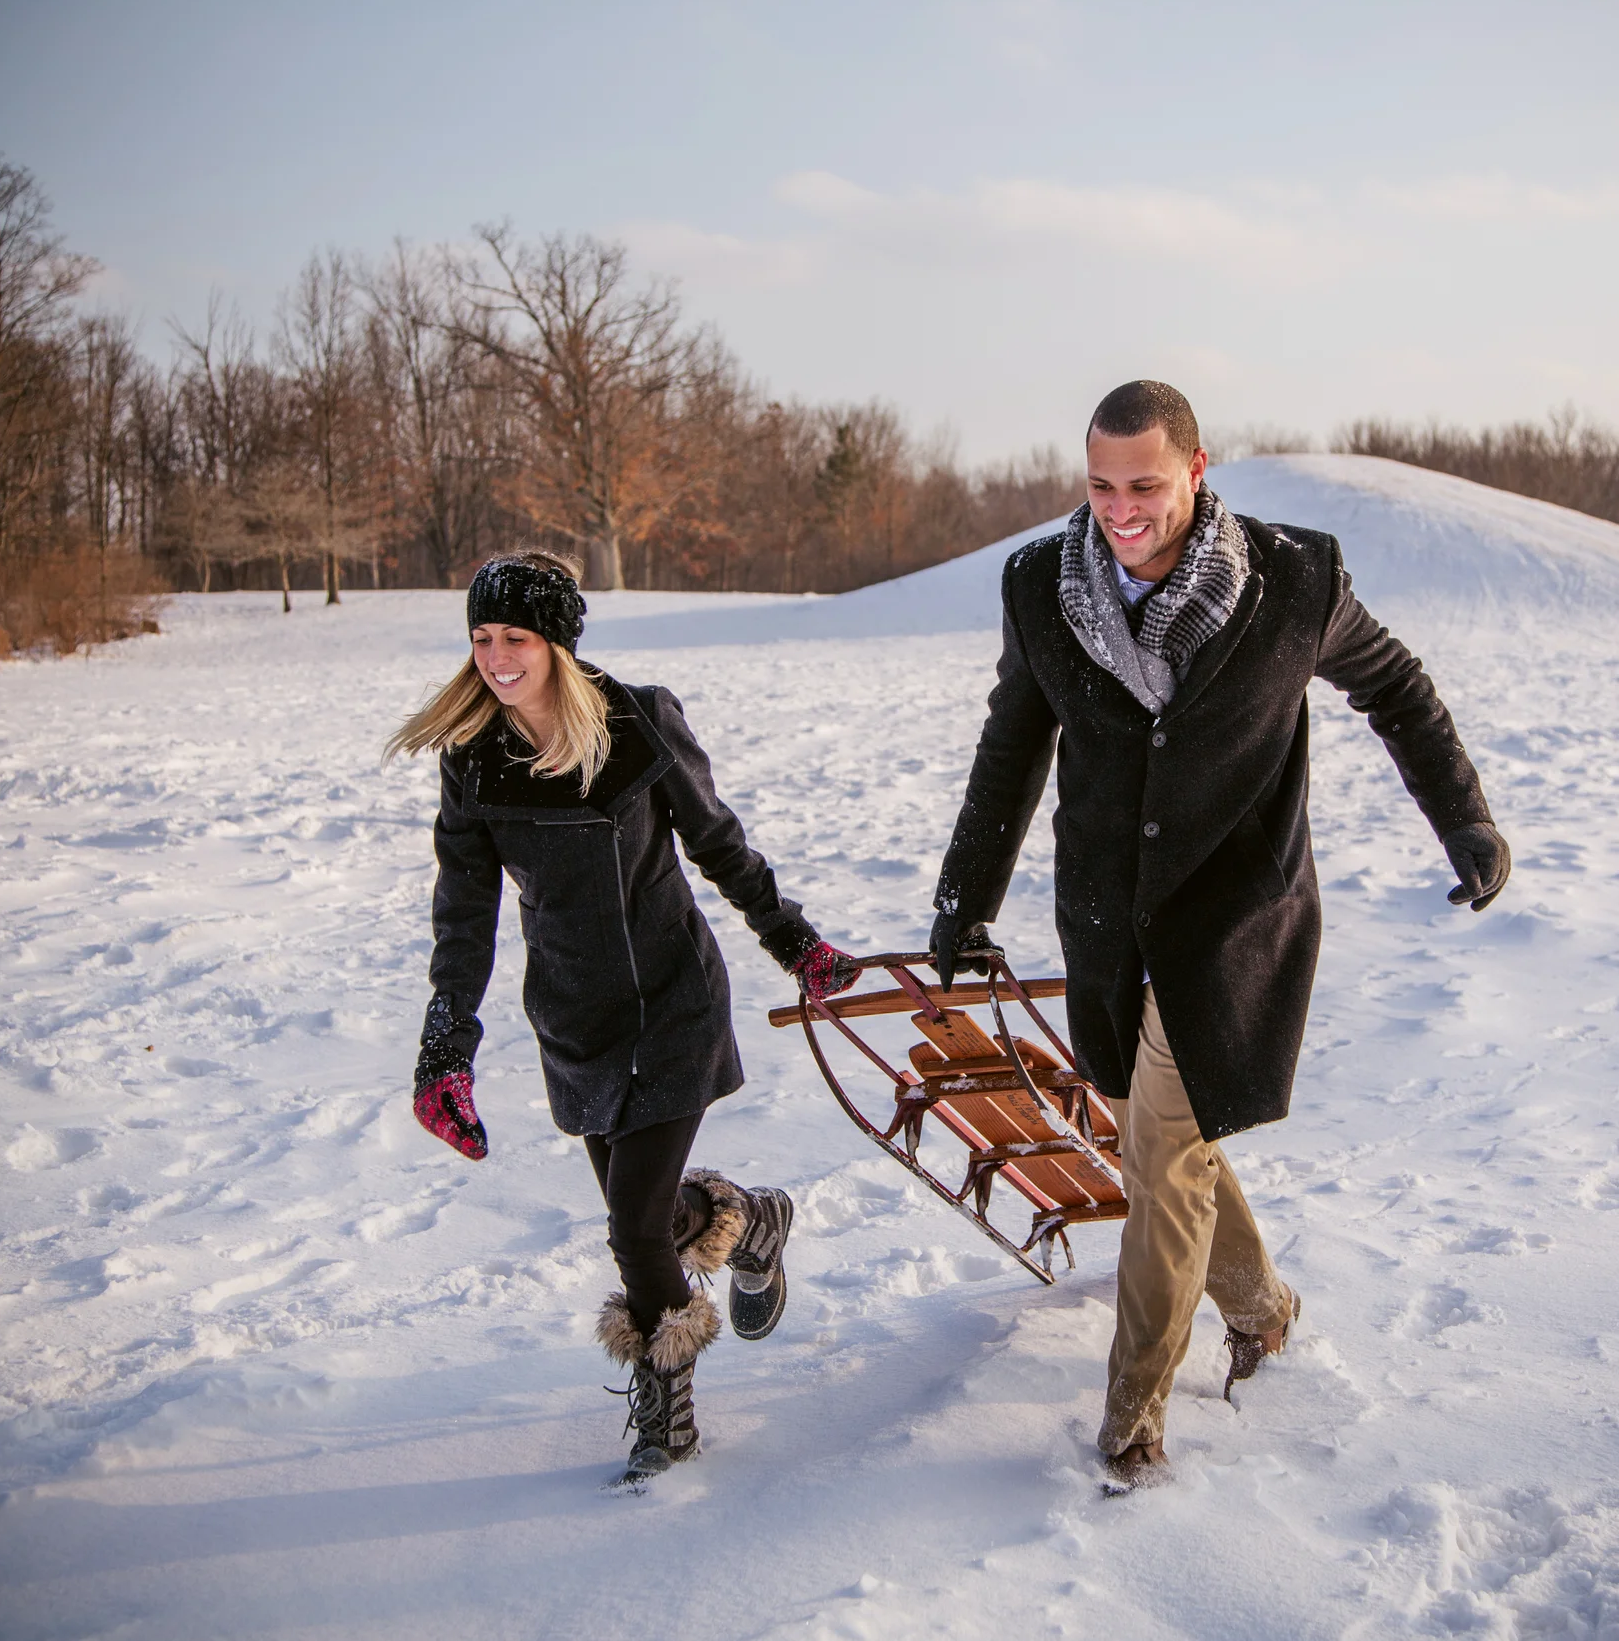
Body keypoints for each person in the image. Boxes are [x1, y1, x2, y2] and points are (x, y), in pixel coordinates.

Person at [928, 382, 1510, 1490]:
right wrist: (966, 895)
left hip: (1236, 920)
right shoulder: (1040, 587)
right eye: (1099, 485)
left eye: (1144, 483)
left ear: (1199, 468)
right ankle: (1264, 1305)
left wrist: (1465, 819)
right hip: (1108, 917)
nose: (1119, 508)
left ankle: (1134, 1419)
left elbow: (1396, 689)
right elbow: (1011, 744)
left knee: (1160, 1156)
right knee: (1165, 1142)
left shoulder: (1295, 580)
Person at [388, 550, 859, 1486]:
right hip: (576, 1020)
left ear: (557, 642)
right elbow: (463, 913)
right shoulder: (474, 763)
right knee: (646, 1214)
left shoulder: (636, 721)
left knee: (636, 1231)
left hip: (673, 1000)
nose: (495, 656)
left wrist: (796, 944)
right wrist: (446, 1050)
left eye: (514, 637)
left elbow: (719, 842)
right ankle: (754, 1219)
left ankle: (666, 1402)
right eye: (481, 638)